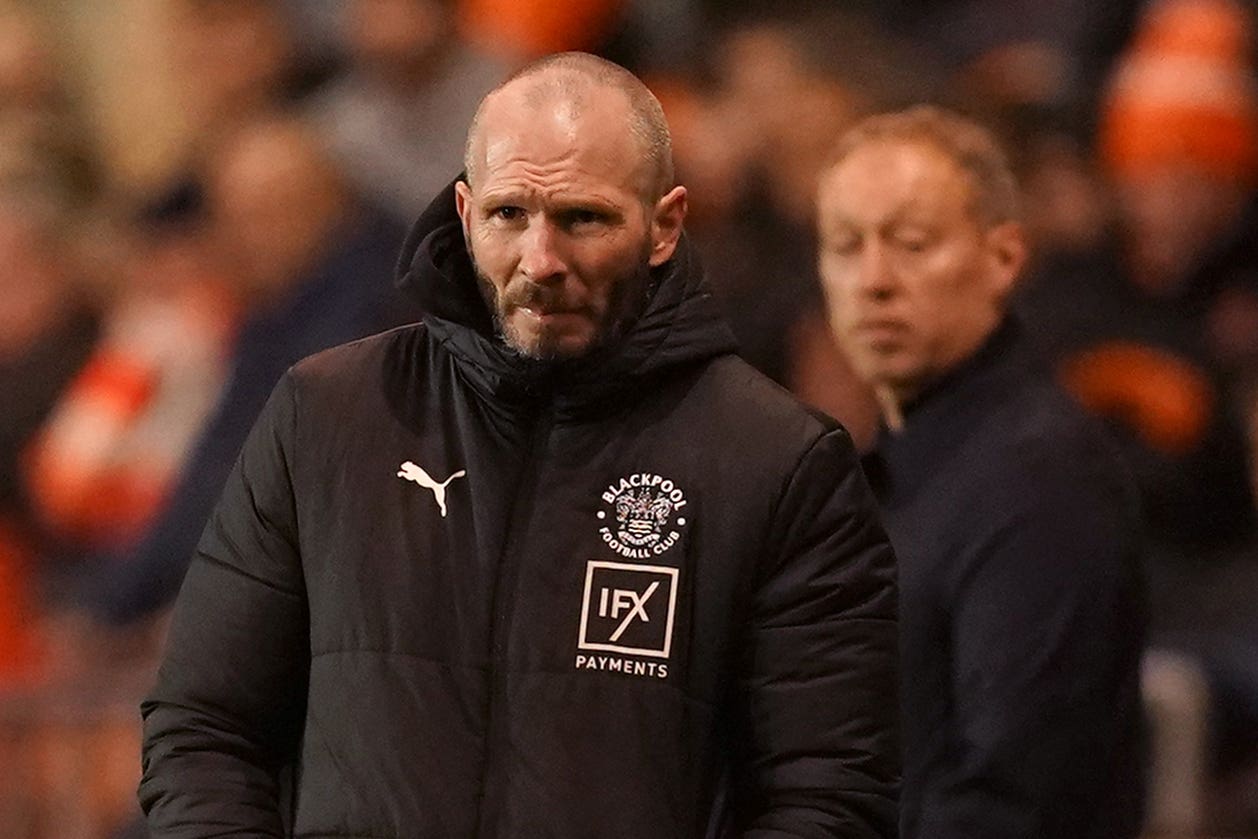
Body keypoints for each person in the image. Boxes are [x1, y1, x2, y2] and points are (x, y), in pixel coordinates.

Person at [139, 52, 900, 837]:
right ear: (465, 214)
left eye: (584, 218)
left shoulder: (777, 462)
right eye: (510, 215)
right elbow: (205, 728)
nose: (541, 262)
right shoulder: (326, 414)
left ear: (666, 224)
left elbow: (827, 795)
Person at [815, 105, 1145, 838]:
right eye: (844, 245)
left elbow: (1013, 798)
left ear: (1002, 258)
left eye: (912, 242)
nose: (873, 280)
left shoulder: (1043, 481)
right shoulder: (894, 462)